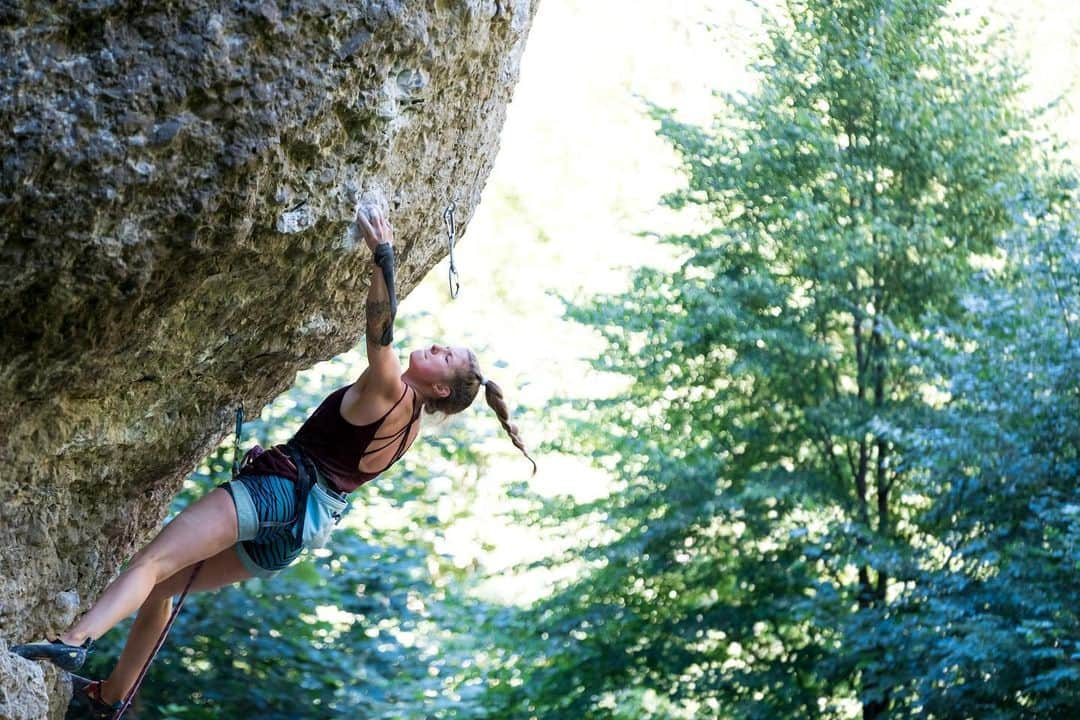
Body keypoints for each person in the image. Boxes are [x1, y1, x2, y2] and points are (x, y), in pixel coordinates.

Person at [12, 206, 536, 714]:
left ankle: (74, 640)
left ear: (440, 386)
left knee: (150, 564)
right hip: (297, 531)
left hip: (276, 494)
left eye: (445, 355)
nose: (438, 345)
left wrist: (384, 255)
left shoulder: (390, 391)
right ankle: (111, 696)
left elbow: (380, 328)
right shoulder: (411, 428)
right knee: (162, 586)